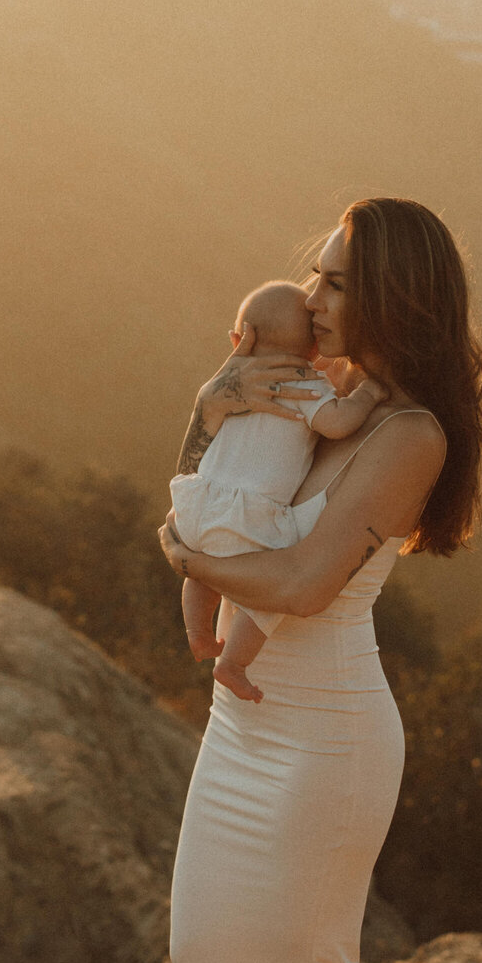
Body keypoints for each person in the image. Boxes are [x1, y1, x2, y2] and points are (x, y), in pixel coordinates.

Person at [160, 196, 482, 963]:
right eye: (318, 271)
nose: (313, 295)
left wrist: (183, 551)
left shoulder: (408, 436)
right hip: (246, 720)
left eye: (340, 280)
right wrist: (205, 415)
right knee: (207, 948)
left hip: (330, 733)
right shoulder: (324, 398)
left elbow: (299, 586)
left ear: (396, 297)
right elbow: (224, 510)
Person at [172, 278, 386, 702]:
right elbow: (337, 423)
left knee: (201, 565)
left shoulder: (236, 381)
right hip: (252, 516)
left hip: (196, 503)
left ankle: (198, 633)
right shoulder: (304, 383)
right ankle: (232, 663)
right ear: (314, 351)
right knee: (266, 594)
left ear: (239, 339)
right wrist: (367, 395)